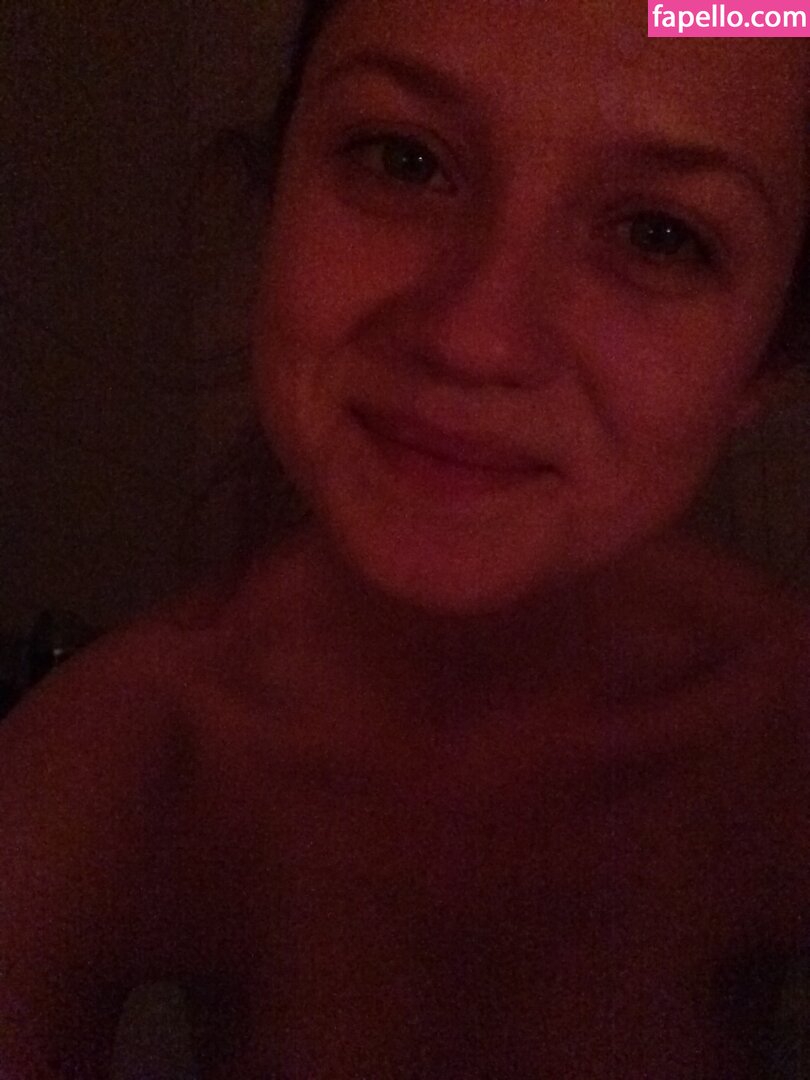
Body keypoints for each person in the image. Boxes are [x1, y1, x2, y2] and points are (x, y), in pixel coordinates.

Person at [2, 0, 809, 1076]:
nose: (475, 338)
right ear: (275, 189)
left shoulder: (781, 742)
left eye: (660, 234)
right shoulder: (109, 773)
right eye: (404, 160)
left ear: (768, 358)